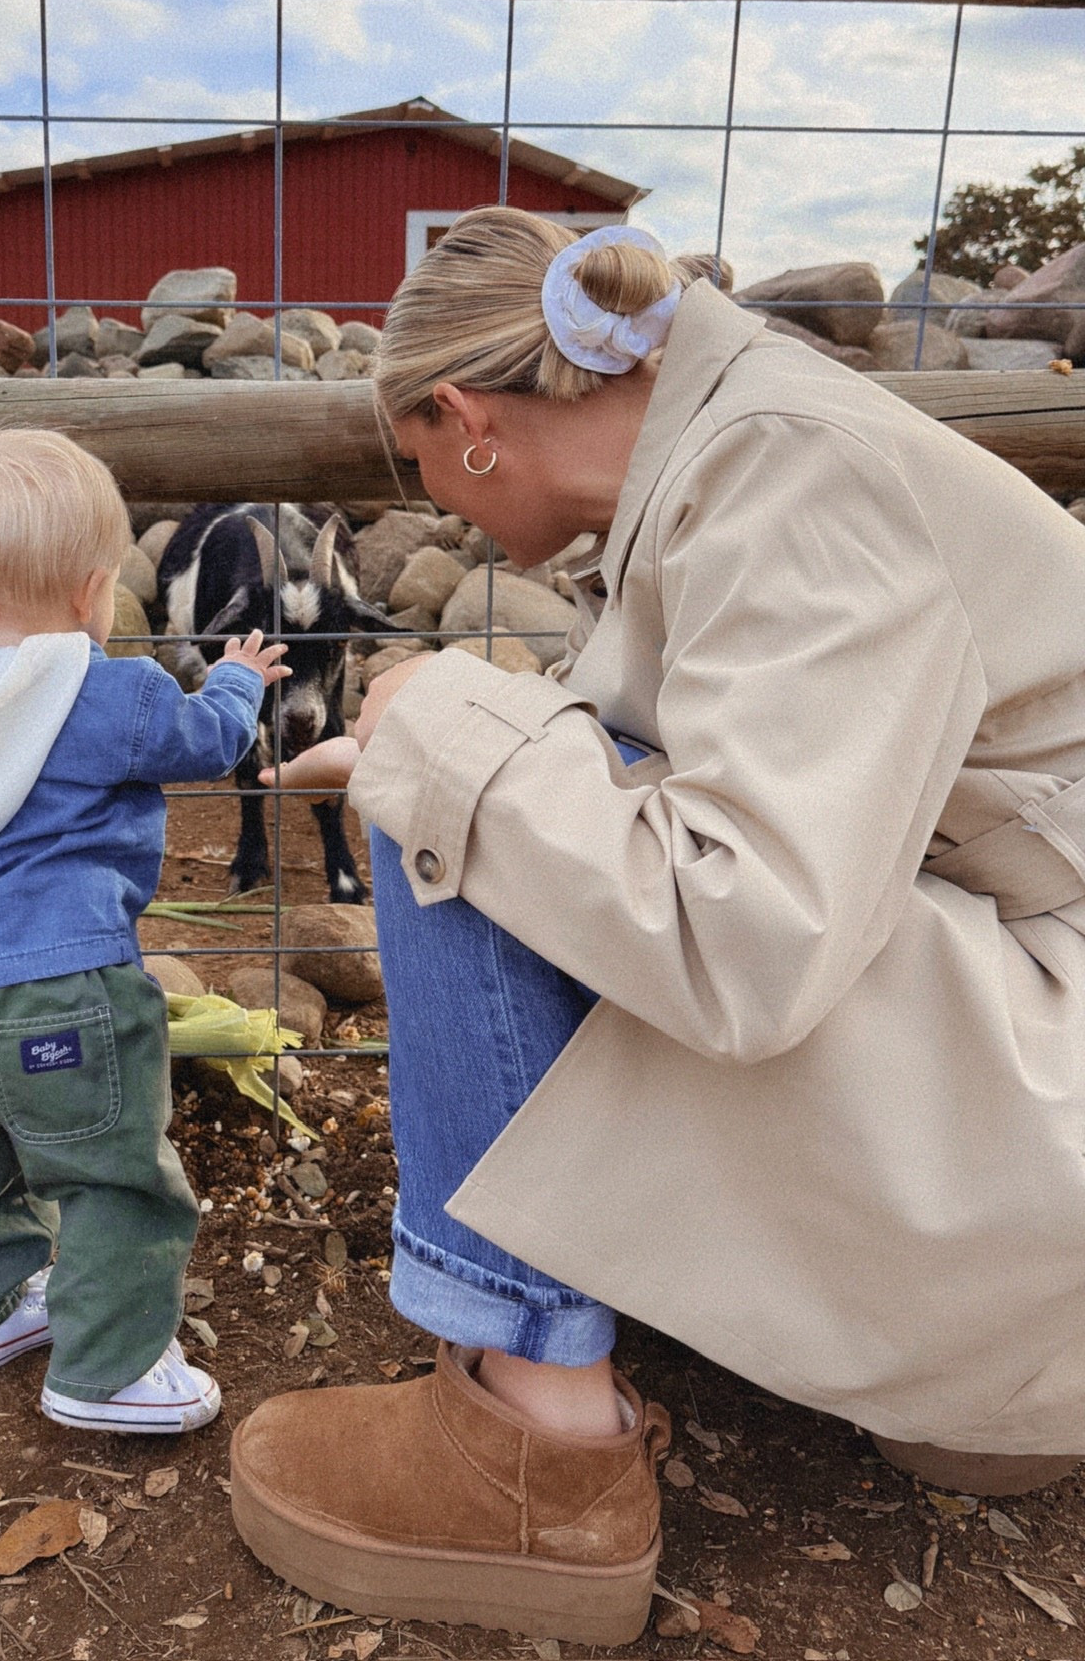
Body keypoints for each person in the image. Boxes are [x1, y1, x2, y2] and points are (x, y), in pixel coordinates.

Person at [231, 210, 1085, 1646]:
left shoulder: (794, 473)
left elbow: (750, 936)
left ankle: (534, 1441)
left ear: (466, 420)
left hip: (1053, 1115)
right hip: (1038, 1070)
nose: (428, 500)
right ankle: (978, 1387)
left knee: (459, 772)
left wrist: (432, 740)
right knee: (482, 758)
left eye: (412, 460)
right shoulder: (746, 447)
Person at [0, 428, 289, 1434]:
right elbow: (210, 742)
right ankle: (109, 1368)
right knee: (111, 1173)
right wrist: (238, 680)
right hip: (61, 994)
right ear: (93, 589)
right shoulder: (101, 688)